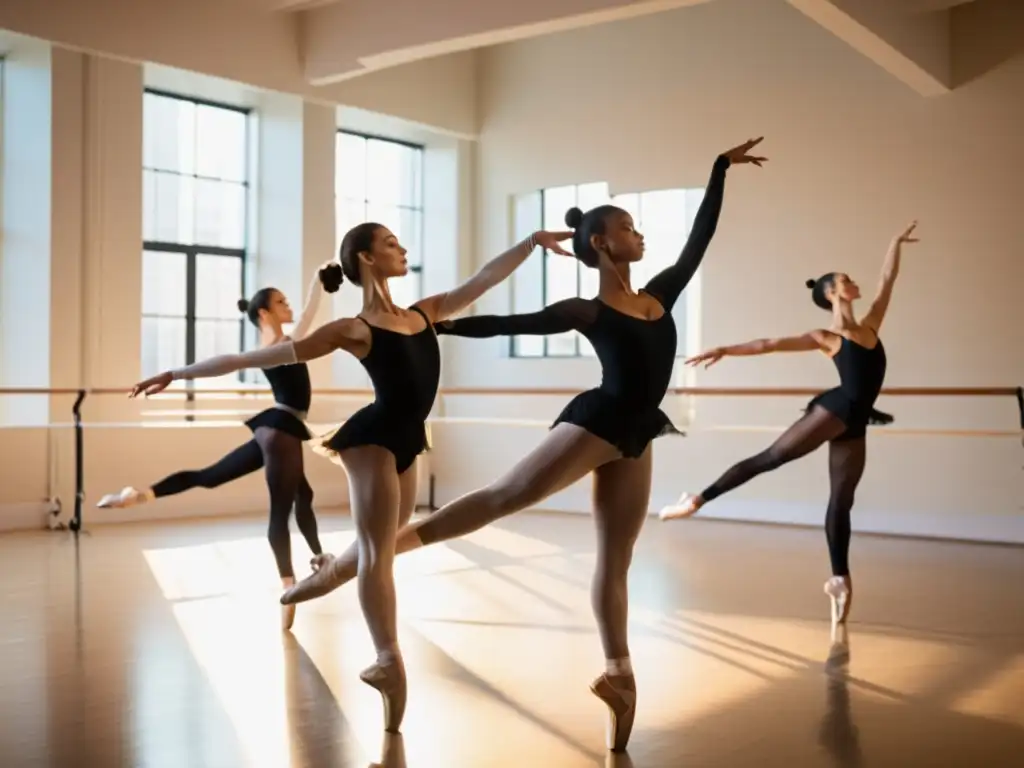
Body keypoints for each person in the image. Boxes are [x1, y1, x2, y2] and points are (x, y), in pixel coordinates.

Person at [280, 139, 768, 752]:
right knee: (503, 497)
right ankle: (365, 561)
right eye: (628, 228)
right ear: (599, 244)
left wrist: (718, 169)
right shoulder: (586, 310)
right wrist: (439, 323)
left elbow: (701, 238)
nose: (640, 236)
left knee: (615, 557)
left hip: (639, 431)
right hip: (595, 422)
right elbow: (511, 324)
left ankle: (617, 674)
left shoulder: (661, 295)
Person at [128, 222, 573, 733]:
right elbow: (250, 358)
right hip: (371, 439)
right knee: (379, 552)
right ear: (365, 258)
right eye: (390, 244)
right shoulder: (352, 330)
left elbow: (483, 279)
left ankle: (307, 586)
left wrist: (531, 243)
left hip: (409, 439)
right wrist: (177, 373)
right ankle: (387, 659)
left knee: (376, 545)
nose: (403, 248)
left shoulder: (426, 312)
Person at [660, 221, 920, 629]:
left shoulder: (870, 324)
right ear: (832, 292)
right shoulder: (826, 336)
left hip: (854, 420)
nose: (855, 282)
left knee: (842, 499)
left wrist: (894, 242)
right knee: (772, 459)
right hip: (835, 410)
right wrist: (726, 349)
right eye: (846, 280)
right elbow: (769, 344)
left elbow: (889, 279)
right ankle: (698, 499)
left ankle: (839, 579)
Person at [98, 263, 341, 630]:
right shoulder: (282, 346)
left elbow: (301, 313)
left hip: (274, 428)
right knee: (282, 509)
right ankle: (290, 588)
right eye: (280, 301)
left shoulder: (277, 346)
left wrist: (319, 280)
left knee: (226, 480)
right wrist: (173, 374)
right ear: (264, 312)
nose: (288, 306)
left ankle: (138, 495)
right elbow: (227, 361)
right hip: (282, 428)